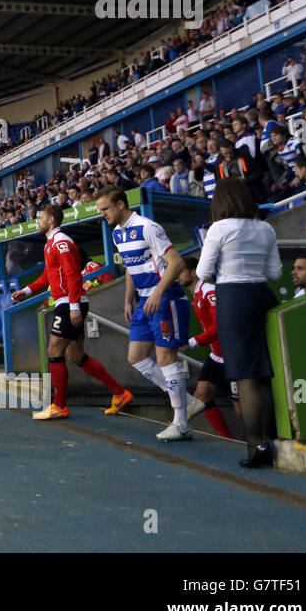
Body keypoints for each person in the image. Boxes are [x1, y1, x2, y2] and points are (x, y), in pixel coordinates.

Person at [12, 205, 131, 420]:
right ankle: (119, 393)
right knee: (75, 355)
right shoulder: (51, 245)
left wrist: (75, 305)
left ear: (50, 221)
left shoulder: (62, 242)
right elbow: (48, 276)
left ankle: (59, 406)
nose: (37, 222)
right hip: (67, 303)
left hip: (69, 305)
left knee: (54, 352)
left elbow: (73, 275)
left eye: (40, 218)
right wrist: (27, 291)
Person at [195, 178, 282, 467]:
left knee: (245, 375)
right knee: (264, 373)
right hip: (262, 294)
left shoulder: (219, 228)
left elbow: (204, 271)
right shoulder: (265, 228)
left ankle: (255, 447)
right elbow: (275, 271)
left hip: (234, 296)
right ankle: (270, 441)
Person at [96, 185, 193, 442]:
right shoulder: (117, 233)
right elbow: (131, 267)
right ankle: (187, 401)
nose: (102, 214)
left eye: (105, 209)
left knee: (165, 358)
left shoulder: (148, 226)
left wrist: (159, 292)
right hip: (143, 302)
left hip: (165, 298)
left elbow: (176, 262)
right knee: (137, 357)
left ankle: (181, 422)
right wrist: (129, 299)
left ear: (120, 205)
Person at [176, 257, 235, 439]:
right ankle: (226, 438)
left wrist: (193, 342)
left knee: (242, 408)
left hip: (232, 357)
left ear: (194, 272)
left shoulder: (210, 292)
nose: (177, 276)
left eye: (181, 272)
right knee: (201, 398)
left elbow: (220, 326)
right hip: (216, 356)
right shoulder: (197, 294)